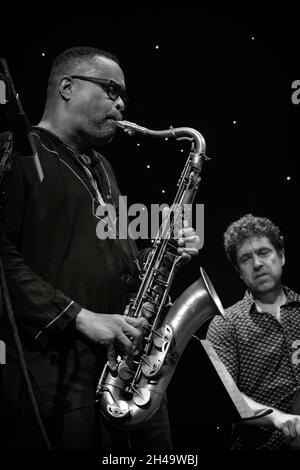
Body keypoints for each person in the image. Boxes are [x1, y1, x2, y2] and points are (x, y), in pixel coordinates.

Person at [0, 46, 200, 451]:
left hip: (125, 371)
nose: (122, 103)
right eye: (111, 89)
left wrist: (156, 253)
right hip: (60, 379)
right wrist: (79, 317)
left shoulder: (102, 168)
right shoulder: (19, 151)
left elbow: (111, 253)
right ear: (68, 87)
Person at [206, 213, 300, 450]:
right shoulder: (225, 323)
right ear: (239, 271)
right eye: (246, 258)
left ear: (282, 256)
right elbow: (227, 397)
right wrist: (276, 417)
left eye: (264, 252)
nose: (257, 264)